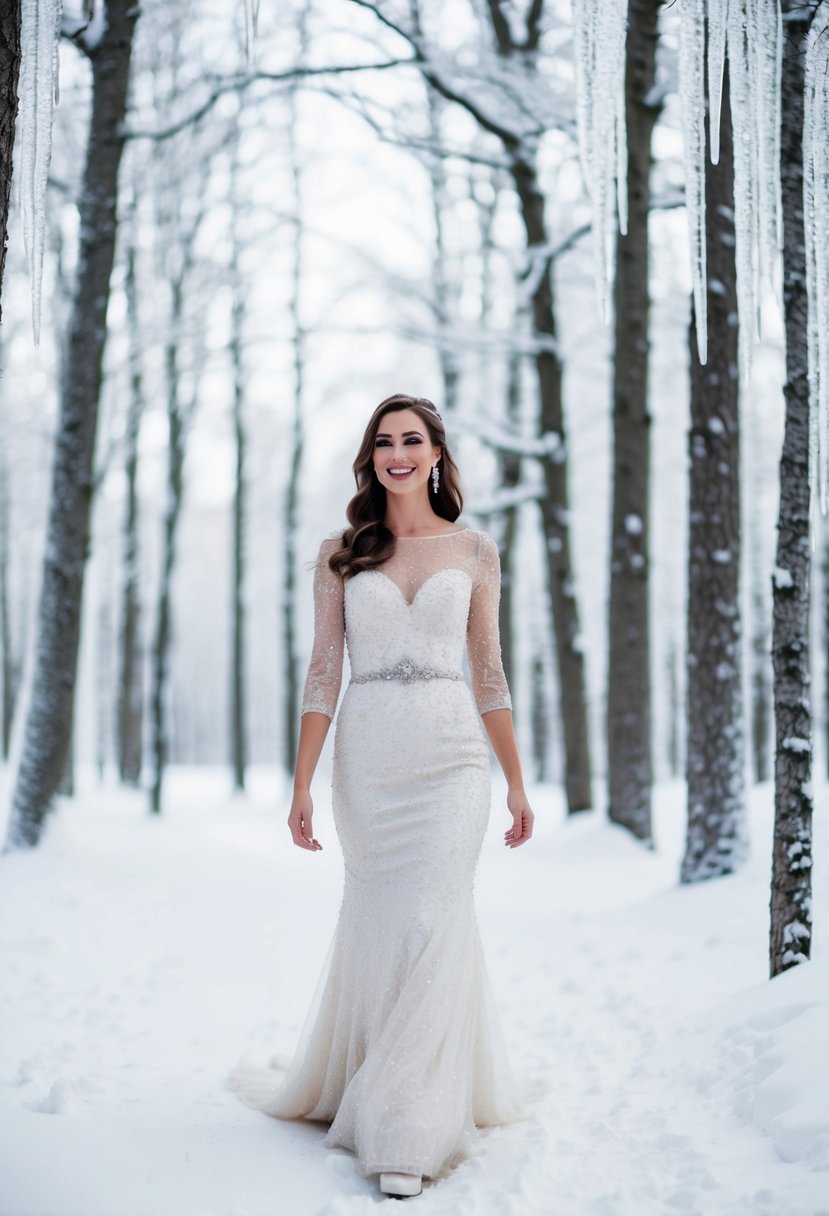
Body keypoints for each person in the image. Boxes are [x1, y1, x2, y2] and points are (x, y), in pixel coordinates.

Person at [229, 393, 534, 1199]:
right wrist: (301, 780)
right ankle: (382, 1082)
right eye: (384, 441)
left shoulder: (474, 551)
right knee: (384, 923)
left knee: (433, 917)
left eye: (413, 440)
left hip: (452, 760)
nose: (398, 452)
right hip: (368, 762)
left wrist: (515, 783)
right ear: (370, 458)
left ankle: (407, 1127)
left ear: (437, 454)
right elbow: (323, 670)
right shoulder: (344, 550)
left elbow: (490, 674)